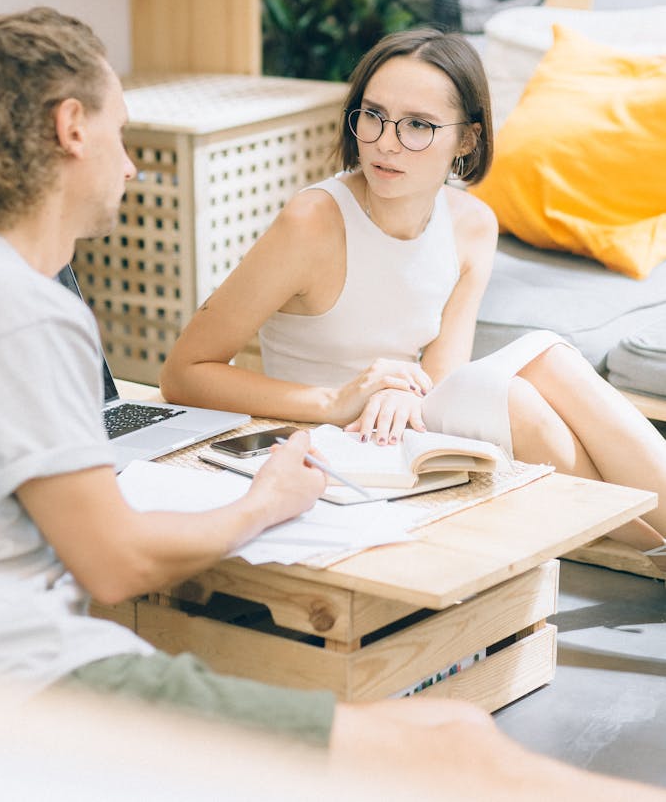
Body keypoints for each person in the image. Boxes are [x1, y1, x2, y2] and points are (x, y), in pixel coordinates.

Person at [0, 9, 664, 802]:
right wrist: (265, 501)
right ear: (72, 127)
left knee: (458, 727)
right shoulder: (19, 309)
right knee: (456, 748)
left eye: (418, 126)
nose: (133, 166)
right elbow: (115, 559)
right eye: (123, 134)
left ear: (464, 140)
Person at [162, 28, 666, 571]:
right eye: (373, 115)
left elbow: (443, 374)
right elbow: (185, 372)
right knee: (516, 398)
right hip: (337, 438)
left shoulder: (472, 224)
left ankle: (647, 548)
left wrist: (408, 393)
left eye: (419, 126)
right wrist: (335, 401)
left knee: (548, 356)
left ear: (468, 140)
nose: (385, 142)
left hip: (411, 424)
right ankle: (647, 549)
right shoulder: (313, 223)